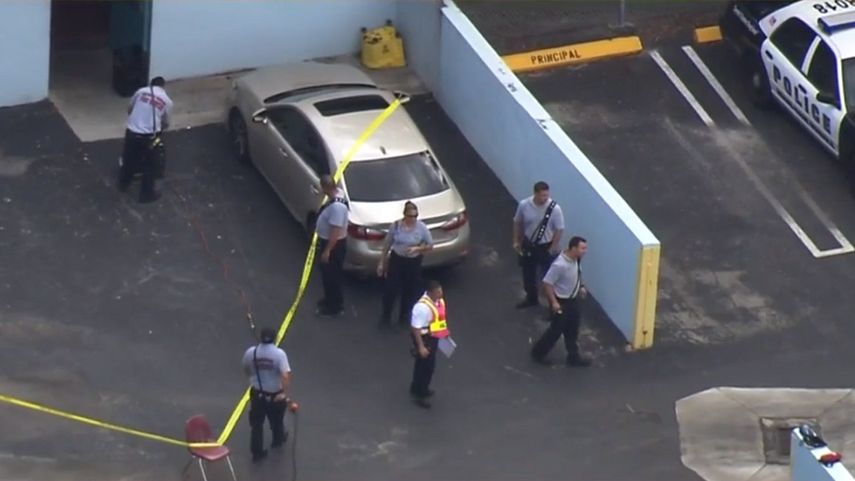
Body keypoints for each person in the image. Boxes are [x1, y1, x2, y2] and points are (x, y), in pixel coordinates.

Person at [530, 236, 592, 367]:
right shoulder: (560, 265)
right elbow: (547, 283)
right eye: (582, 248)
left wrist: (581, 286)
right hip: (562, 302)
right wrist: (554, 303)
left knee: (572, 330)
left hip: (573, 300)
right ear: (573, 248)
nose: (585, 251)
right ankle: (538, 353)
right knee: (555, 331)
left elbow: (578, 274)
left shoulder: (577, 259)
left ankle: (573, 357)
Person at [377, 201, 433, 331]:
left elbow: (430, 245)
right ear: (405, 215)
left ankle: (403, 318)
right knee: (391, 289)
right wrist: (382, 262)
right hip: (397, 260)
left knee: (409, 291)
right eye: (410, 216)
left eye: (415, 216)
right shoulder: (396, 226)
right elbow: (387, 245)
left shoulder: (421, 228)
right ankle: (386, 317)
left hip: (413, 262)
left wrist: (417, 249)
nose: (413, 219)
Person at [117, 76, 173, 203]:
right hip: (149, 136)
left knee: (129, 158)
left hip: (132, 131)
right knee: (151, 163)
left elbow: (130, 108)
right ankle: (146, 195)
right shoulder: (167, 101)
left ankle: (123, 184)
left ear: (151, 84)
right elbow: (166, 122)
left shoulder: (141, 91)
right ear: (163, 87)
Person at [242, 327, 292, 463]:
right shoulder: (279, 354)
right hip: (275, 394)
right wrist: (284, 394)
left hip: (258, 393)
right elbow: (285, 376)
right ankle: (278, 439)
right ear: (275, 338)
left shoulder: (251, 353)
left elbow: (246, 368)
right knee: (277, 420)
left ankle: (257, 452)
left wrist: (252, 378)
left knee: (257, 424)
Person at [512, 181, 565, 309]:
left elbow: (559, 229)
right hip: (529, 243)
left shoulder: (554, 209)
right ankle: (531, 298)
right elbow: (517, 222)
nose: (545, 199)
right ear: (535, 193)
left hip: (545, 246)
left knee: (548, 278)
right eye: (542, 196)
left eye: (547, 195)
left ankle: (552, 307)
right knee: (528, 273)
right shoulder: (524, 205)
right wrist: (516, 241)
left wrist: (553, 247)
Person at [409, 280, 450, 409]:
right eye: (438, 291)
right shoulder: (422, 308)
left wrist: (443, 332)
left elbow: (438, 318)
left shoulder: (437, 301)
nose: (441, 293)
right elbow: (416, 328)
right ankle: (420, 394)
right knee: (427, 367)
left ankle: (416, 387)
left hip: (432, 335)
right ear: (431, 292)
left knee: (422, 363)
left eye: (441, 290)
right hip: (424, 337)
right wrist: (420, 346)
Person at [315, 175, 349, 317]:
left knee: (331, 276)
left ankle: (333, 307)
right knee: (327, 274)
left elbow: (335, 231)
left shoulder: (337, 207)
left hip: (334, 245)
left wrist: (327, 251)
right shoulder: (338, 194)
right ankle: (329, 299)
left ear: (326, 188)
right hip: (332, 243)